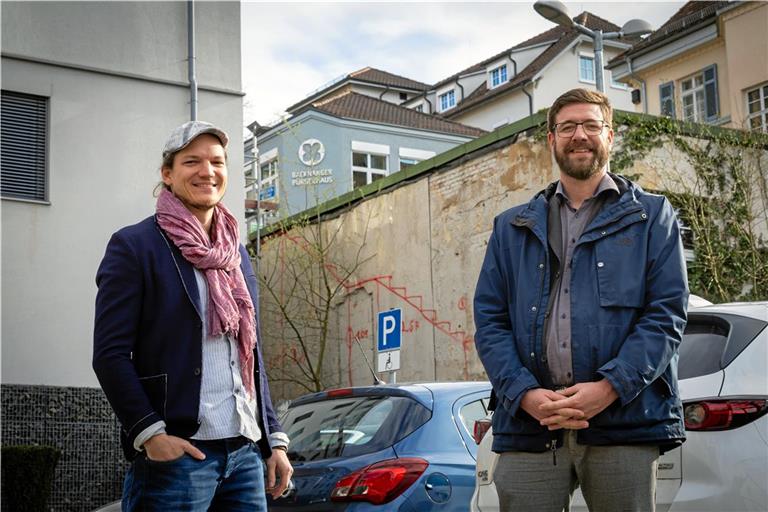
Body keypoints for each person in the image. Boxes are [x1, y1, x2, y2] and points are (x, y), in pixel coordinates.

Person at [473, 88, 689, 512]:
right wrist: (526, 395)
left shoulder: (651, 216)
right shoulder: (510, 228)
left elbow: (666, 315)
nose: (580, 135)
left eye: (591, 125)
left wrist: (610, 388)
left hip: (623, 422)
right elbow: (490, 321)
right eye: (567, 126)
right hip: (530, 426)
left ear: (610, 136)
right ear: (551, 139)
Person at [93, 121, 292, 511]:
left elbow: (251, 355)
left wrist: (274, 440)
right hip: (179, 457)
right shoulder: (135, 246)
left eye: (217, 161)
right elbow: (110, 354)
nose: (207, 171)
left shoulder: (235, 253)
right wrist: (151, 434)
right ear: (168, 174)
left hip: (245, 455)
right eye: (192, 161)